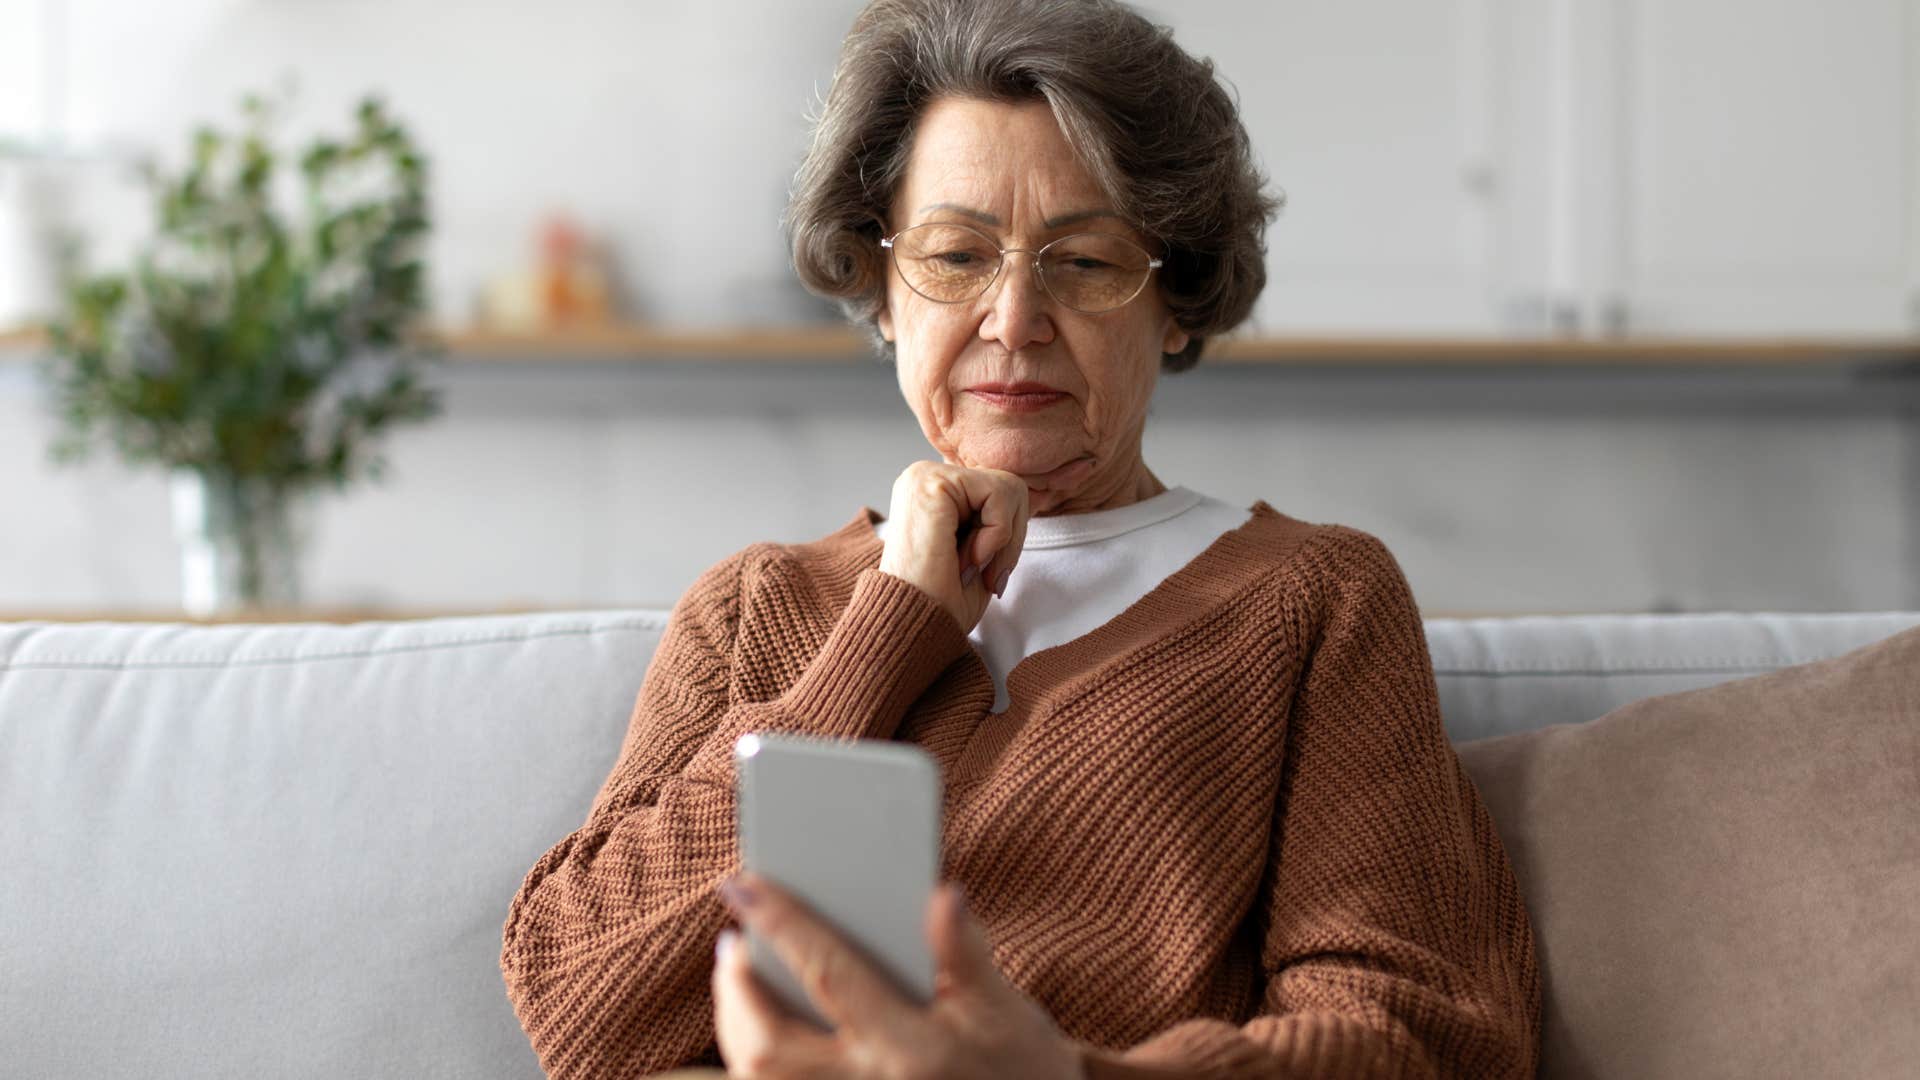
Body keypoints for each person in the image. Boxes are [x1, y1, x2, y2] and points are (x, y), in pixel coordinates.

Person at [500, 0, 1542, 1076]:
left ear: (1176, 300)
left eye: (1084, 264)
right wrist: (885, 634)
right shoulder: (756, 605)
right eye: (954, 255)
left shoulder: (1313, 599)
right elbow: (578, 1010)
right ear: (884, 292)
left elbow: (1421, 1030)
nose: (1012, 319)